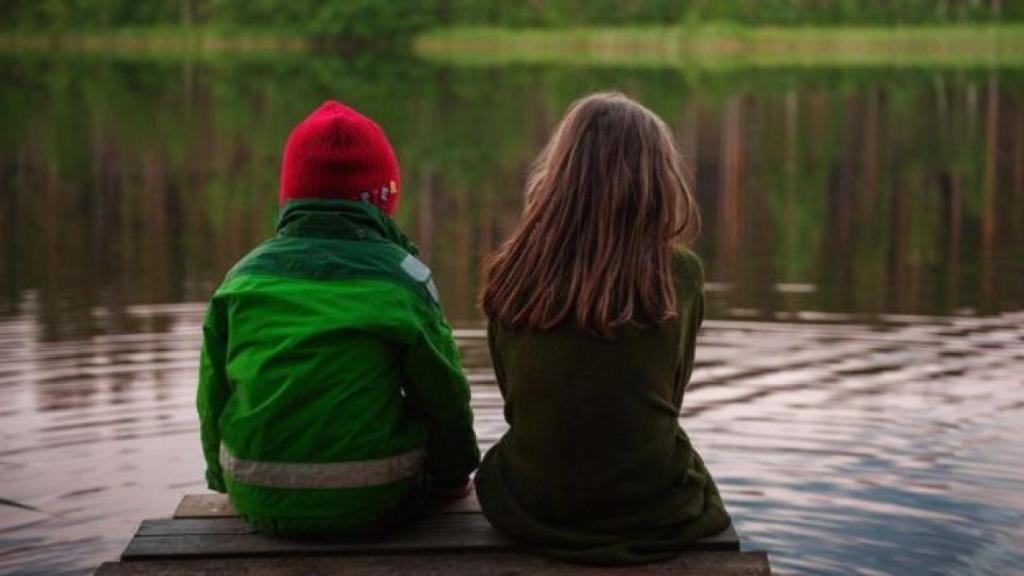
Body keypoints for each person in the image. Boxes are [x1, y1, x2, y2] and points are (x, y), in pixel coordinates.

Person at [196, 100, 479, 535]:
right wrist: (454, 477)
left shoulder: (242, 278)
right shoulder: (403, 279)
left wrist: (223, 482)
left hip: (255, 493)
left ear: (291, 195)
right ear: (385, 195)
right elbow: (442, 393)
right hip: (375, 499)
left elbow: (213, 393)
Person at [475, 92, 731, 564]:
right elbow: (669, 398)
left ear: (560, 174)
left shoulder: (511, 271)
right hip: (649, 507)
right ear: (656, 181)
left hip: (533, 505)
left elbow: (516, 398)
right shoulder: (681, 276)